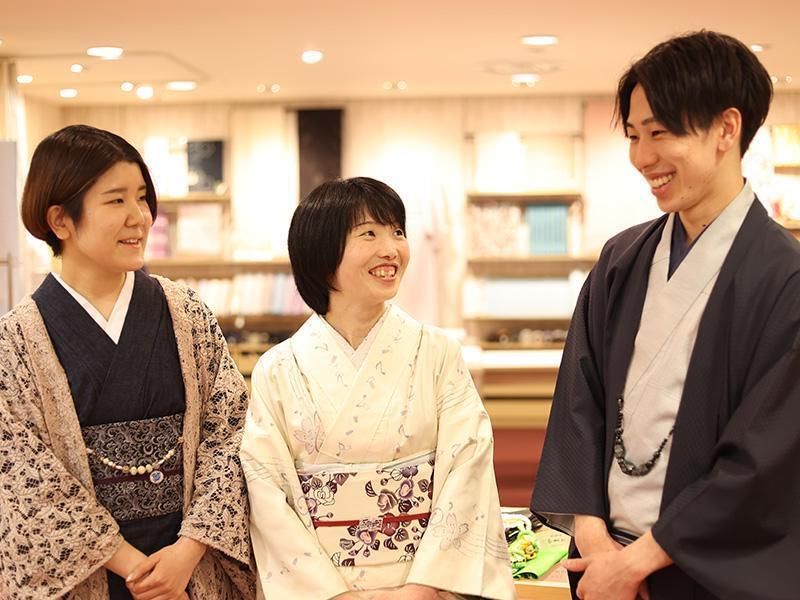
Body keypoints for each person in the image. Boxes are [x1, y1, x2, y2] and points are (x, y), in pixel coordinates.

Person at [531, 30, 800, 600]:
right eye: (633, 136)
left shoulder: (785, 278)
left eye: (660, 133)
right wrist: (595, 542)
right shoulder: (622, 259)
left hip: (703, 575)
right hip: (602, 563)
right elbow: (578, 404)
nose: (641, 157)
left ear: (726, 129)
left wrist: (636, 564)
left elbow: (766, 457)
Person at [0, 124, 255, 599]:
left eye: (141, 198)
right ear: (60, 220)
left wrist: (188, 551)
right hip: (90, 576)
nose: (140, 217)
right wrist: (138, 569)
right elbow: (22, 478)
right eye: (116, 200)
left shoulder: (186, 313)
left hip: (190, 568)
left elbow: (231, 433)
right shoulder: (16, 342)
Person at [240, 177, 515, 600]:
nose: (391, 249)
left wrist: (423, 588)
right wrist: (335, 596)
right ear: (321, 253)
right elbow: (266, 489)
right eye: (369, 234)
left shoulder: (437, 352)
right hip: (324, 589)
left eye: (397, 232)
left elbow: (468, 466)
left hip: (425, 587)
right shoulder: (278, 369)